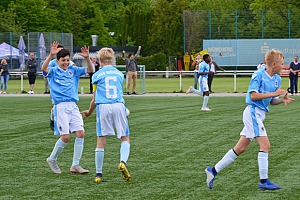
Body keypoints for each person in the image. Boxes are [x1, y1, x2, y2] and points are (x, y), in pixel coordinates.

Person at [205, 49, 295, 191]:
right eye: (282, 64)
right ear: (273, 64)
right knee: (265, 145)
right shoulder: (258, 75)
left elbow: (271, 101)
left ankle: (213, 170)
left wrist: (281, 100)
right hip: (252, 112)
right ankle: (263, 181)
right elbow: (253, 96)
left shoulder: (277, 80)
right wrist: (275, 93)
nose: (283, 67)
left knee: (240, 148)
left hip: (259, 114)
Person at [42, 41, 93, 174]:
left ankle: (75, 165)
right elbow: (44, 69)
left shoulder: (73, 70)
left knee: (81, 133)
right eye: (63, 60)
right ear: (57, 61)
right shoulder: (53, 70)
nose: (65, 62)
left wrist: (87, 58)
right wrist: (50, 55)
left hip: (73, 106)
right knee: (65, 137)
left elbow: (90, 70)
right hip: (60, 107)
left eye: (67, 60)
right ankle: (52, 159)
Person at [81, 47, 131, 183]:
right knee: (124, 137)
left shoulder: (96, 75)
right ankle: (122, 162)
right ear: (112, 60)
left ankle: (98, 174)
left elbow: (94, 99)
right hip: (119, 105)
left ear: (100, 60)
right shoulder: (119, 74)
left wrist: (89, 112)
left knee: (101, 140)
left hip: (103, 107)